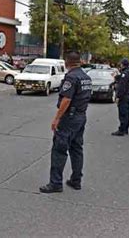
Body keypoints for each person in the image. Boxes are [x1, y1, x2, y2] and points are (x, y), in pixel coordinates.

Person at [40, 51, 92, 193]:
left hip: (69, 117)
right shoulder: (86, 77)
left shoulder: (71, 77)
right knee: (76, 148)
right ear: (80, 61)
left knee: (59, 149)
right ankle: (76, 180)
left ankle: (55, 183)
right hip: (81, 117)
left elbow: (67, 99)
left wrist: (57, 118)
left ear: (67, 62)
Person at [112, 58, 129, 136]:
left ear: (123, 64)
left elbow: (122, 86)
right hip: (128, 95)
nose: (120, 65)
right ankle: (125, 129)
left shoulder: (125, 74)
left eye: (121, 64)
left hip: (124, 96)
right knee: (127, 113)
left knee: (123, 113)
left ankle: (121, 130)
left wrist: (118, 97)